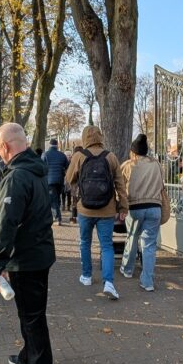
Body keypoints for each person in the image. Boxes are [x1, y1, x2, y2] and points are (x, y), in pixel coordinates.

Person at [0, 123, 56, 364]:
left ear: (4, 147)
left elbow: (6, 225)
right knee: (28, 313)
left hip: (28, 257)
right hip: (38, 252)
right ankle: (29, 356)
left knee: (32, 315)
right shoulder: (33, 170)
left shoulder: (16, 176)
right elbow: (10, 207)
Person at [65, 125, 128, 300]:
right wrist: (123, 207)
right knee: (106, 245)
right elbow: (120, 185)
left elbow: (69, 179)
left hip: (85, 209)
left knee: (85, 242)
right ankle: (108, 282)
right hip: (107, 210)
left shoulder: (79, 156)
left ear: (85, 138)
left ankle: (86, 276)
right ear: (100, 137)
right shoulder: (111, 157)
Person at [120, 134, 164, 292]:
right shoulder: (157, 164)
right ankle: (147, 281)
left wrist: (121, 206)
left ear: (133, 152)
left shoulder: (127, 165)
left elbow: (119, 186)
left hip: (135, 207)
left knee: (132, 237)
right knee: (149, 245)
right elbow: (162, 184)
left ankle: (127, 269)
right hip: (155, 207)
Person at [43, 138, 69, 226]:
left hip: (49, 180)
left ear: (49, 145)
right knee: (57, 198)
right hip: (60, 180)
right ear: (57, 145)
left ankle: (58, 218)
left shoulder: (45, 154)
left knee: (52, 199)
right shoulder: (62, 155)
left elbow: (41, 167)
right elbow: (67, 166)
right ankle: (56, 215)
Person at [69, 145, 83, 224]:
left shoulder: (73, 160)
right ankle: (81, 216)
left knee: (74, 201)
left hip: (75, 184)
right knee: (82, 201)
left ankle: (74, 217)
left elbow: (70, 174)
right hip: (84, 184)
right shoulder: (85, 158)